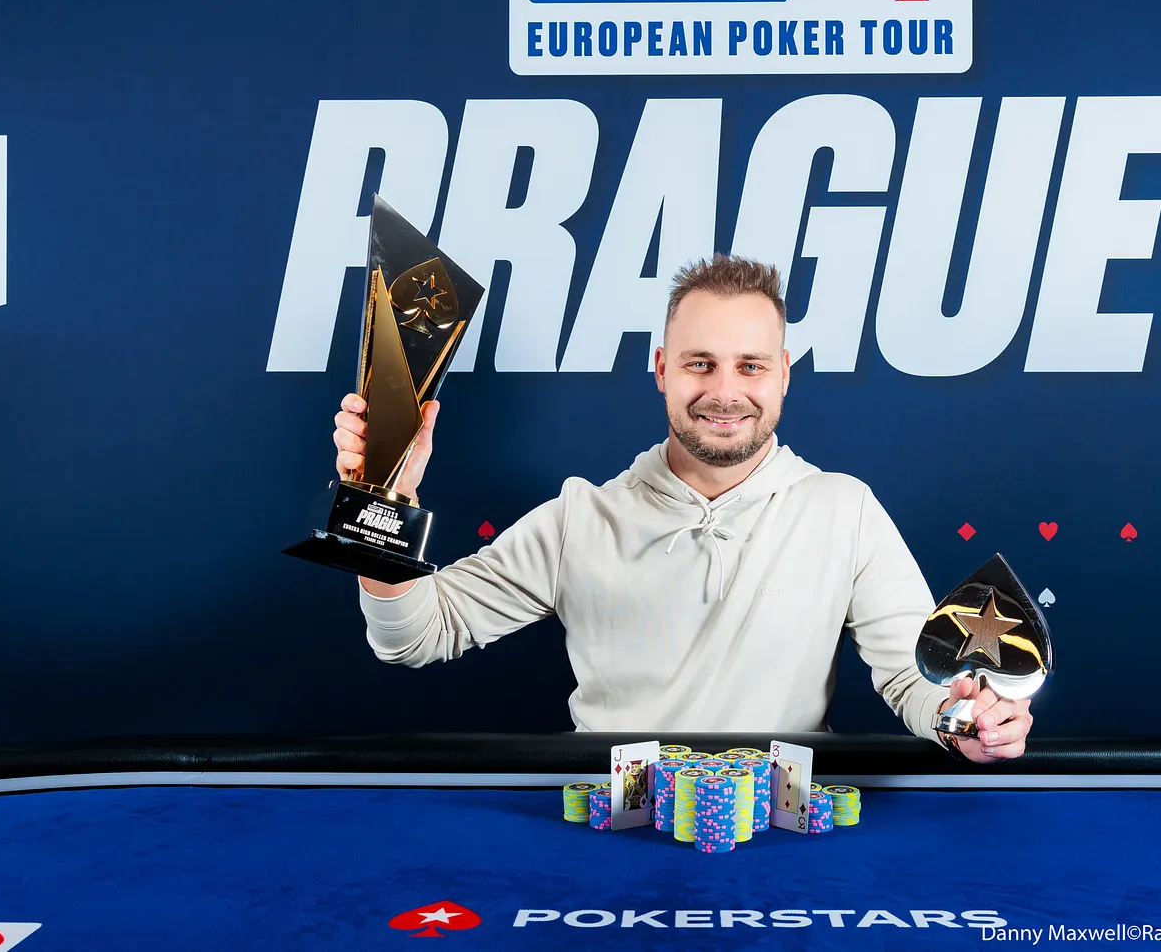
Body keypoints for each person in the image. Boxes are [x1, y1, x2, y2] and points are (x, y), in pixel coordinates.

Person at [332, 256, 1032, 761]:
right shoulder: (581, 518)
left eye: (750, 365)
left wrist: (965, 722)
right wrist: (383, 498)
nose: (725, 391)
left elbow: (915, 677)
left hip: (777, 848)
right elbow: (412, 636)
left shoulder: (843, 510)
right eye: (701, 363)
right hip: (611, 840)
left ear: (783, 374)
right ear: (663, 368)